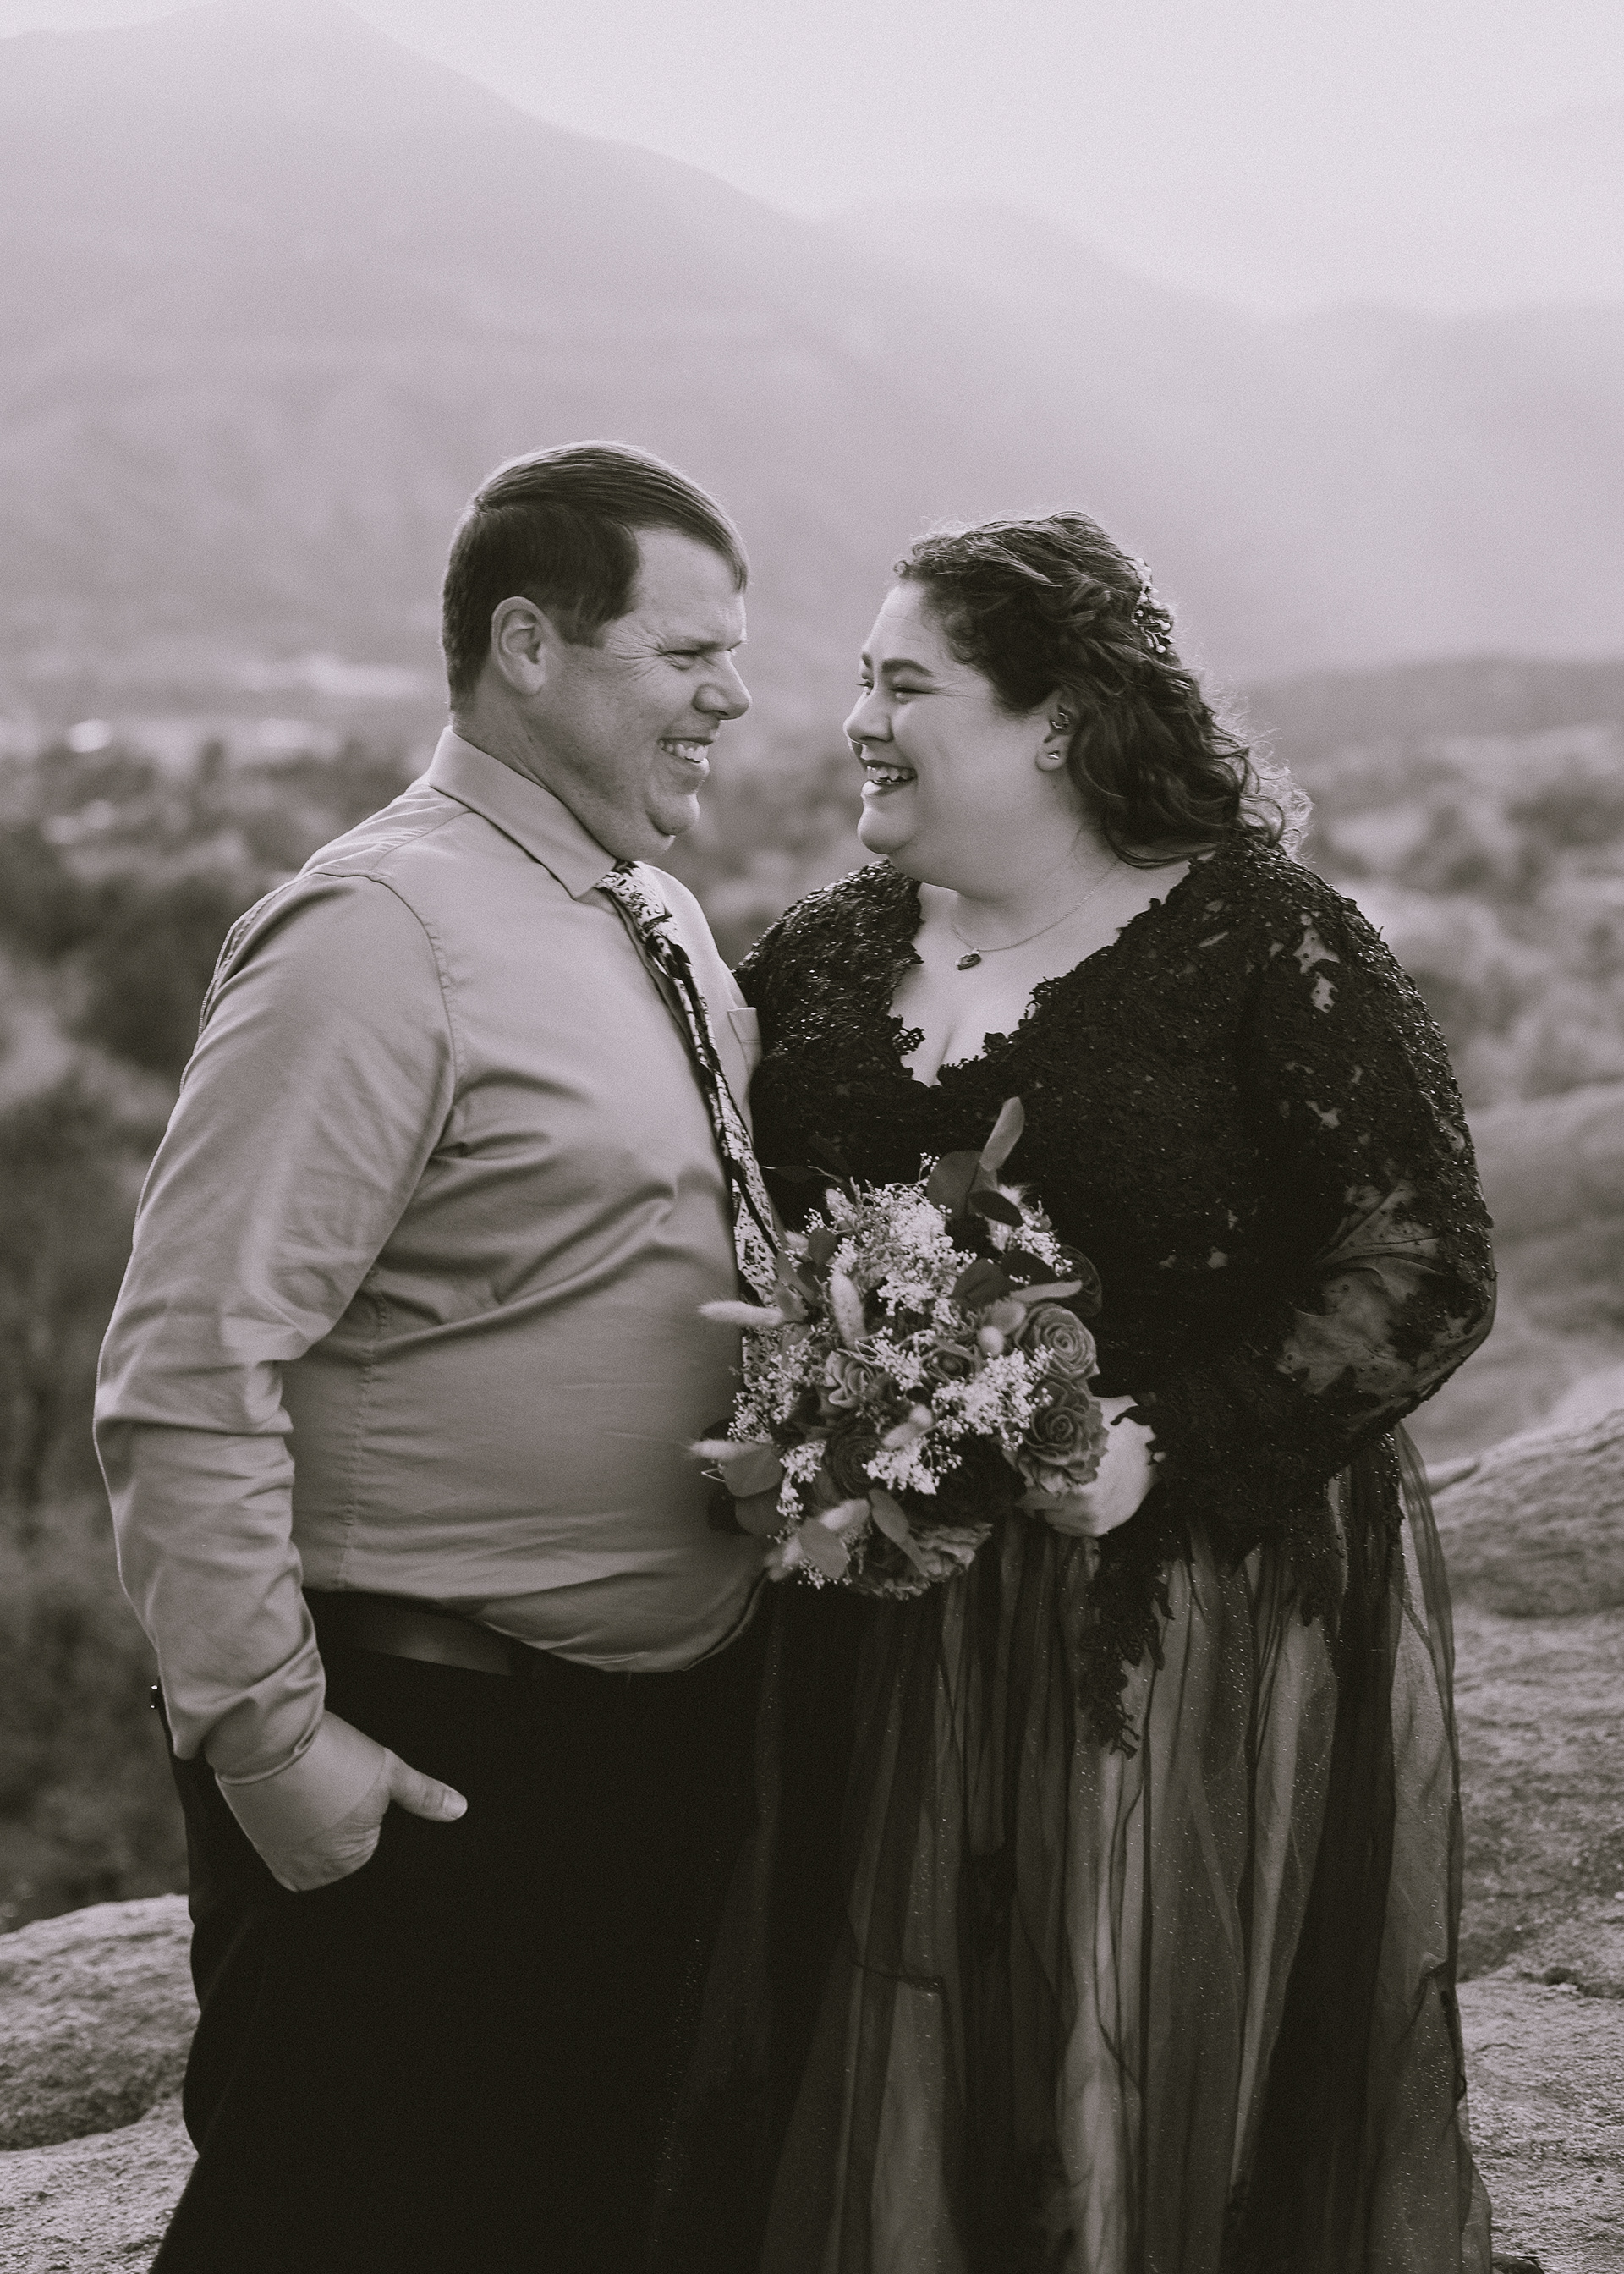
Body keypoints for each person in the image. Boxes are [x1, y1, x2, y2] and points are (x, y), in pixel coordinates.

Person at [655, 514, 1496, 2272]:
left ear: (1055, 721)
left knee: (1099, 2093)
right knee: (871, 2077)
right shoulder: (820, 956)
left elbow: (1423, 1258)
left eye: (905, 685)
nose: (857, 721)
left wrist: (1155, 1446)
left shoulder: (1260, 940)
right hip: (870, 1625)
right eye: (859, 682)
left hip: (1171, 1624)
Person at [95, 442, 776, 2273]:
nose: (732, 696)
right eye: (688, 652)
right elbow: (187, 1367)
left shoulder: (655, 916)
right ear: (528, 646)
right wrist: (273, 1747)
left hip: (637, 1761)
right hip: (429, 1753)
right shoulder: (373, 935)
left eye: (735, 653)